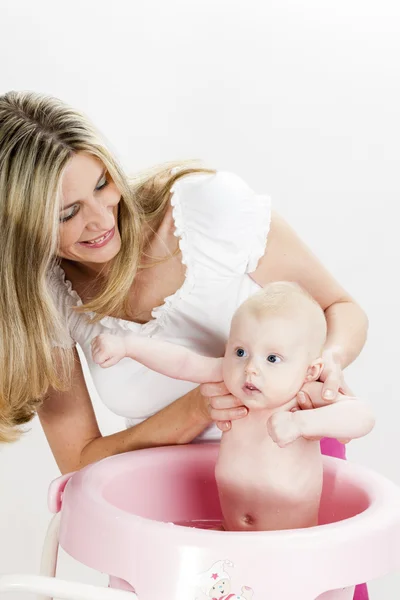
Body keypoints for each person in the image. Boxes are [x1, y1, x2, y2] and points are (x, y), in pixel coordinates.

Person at [0, 91, 369, 598]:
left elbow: (340, 308)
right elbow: (81, 461)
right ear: (21, 229)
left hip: (294, 495)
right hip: (168, 522)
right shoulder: (45, 300)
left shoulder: (207, 212)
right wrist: (192, 409)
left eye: (104, 184)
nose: (103, 219)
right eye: (68, 213)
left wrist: (329, 361)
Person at [91, 281, 375, 531]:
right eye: (240, 351)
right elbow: (181, 361)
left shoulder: (302, 399)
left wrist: (301, 424)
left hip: (289, 544)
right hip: (231, 534)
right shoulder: (231, 379)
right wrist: (128, 346)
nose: (250, 368)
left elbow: (362, 416)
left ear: (310, 370)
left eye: (272, 359)